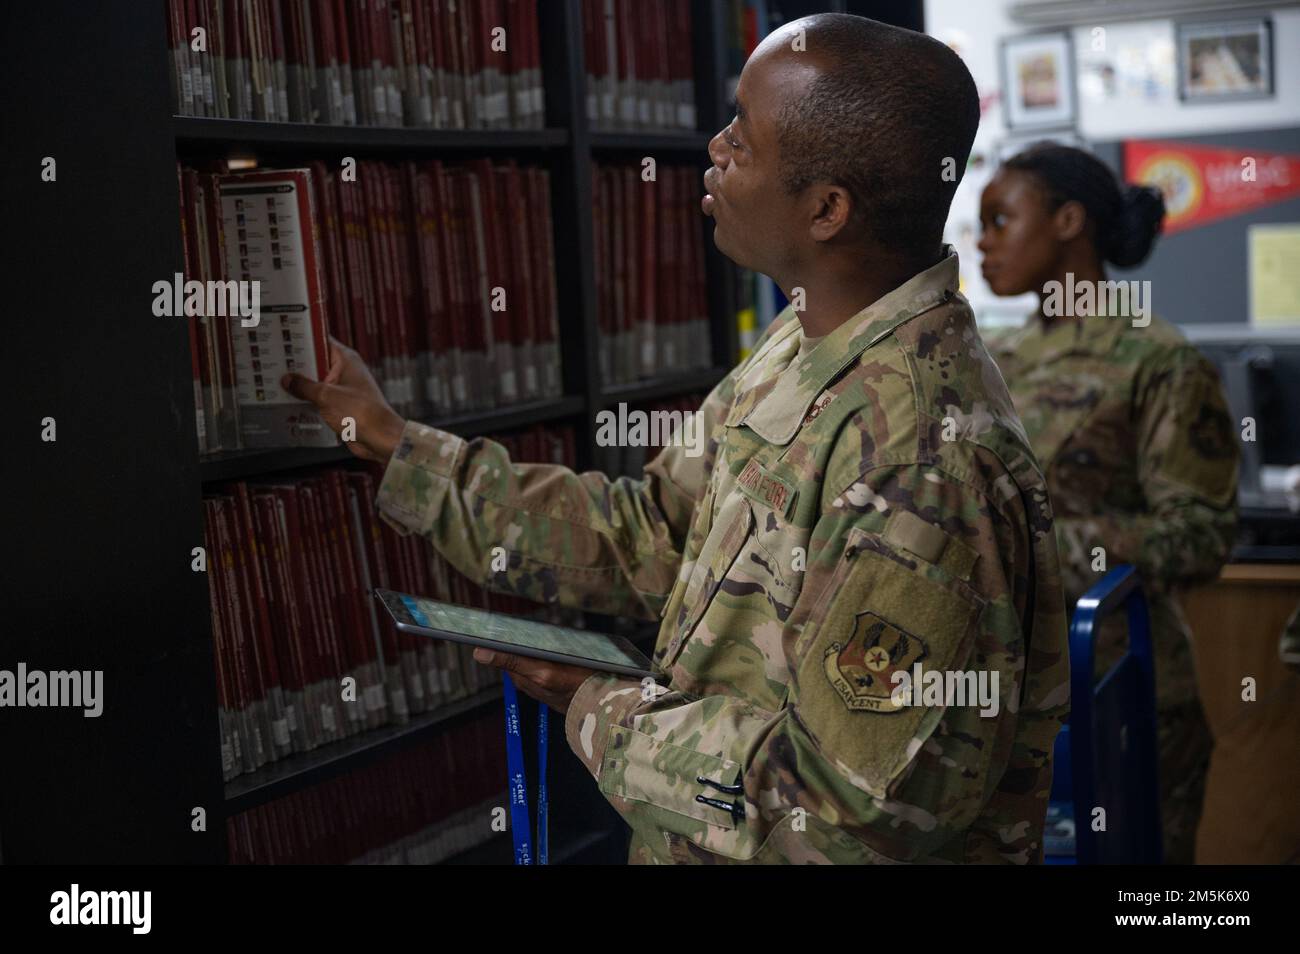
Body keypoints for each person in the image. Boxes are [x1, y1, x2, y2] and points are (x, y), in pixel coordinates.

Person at [286, 14, 1068, 864]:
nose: (716, 146)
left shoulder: (924, 461)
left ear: (828, 209)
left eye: (744, 133)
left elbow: (842, 817)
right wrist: (402, 450)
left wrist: (601, 708)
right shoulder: (806, 346)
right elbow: (652, 533)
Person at [978, 143, 1240, 864]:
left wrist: (1035, 542)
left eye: (1001, 219)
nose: (982, 240)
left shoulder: (1157, 358)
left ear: (1069, 221)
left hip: (1125, 690)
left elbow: (1201, 534)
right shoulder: (992, 357)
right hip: (1015, 694)